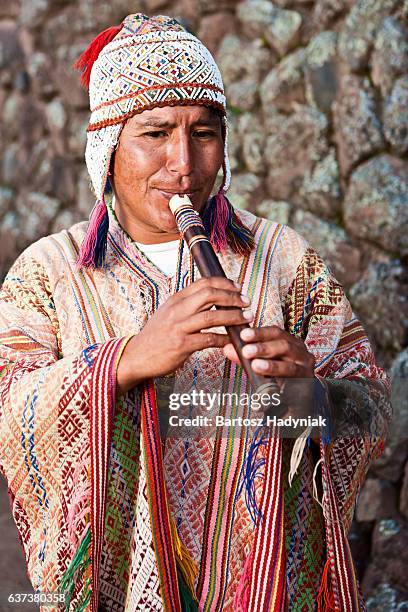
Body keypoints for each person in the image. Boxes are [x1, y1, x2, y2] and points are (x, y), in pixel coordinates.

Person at [0, 13, 391, 612]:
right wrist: (123, 362)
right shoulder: (48, 273)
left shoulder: (282, 259)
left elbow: (371, 404)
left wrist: (311, 395)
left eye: (204, 133)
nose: (184, 163)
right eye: (154, 134)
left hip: (265, 589)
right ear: (107, 148)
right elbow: (11, 412)